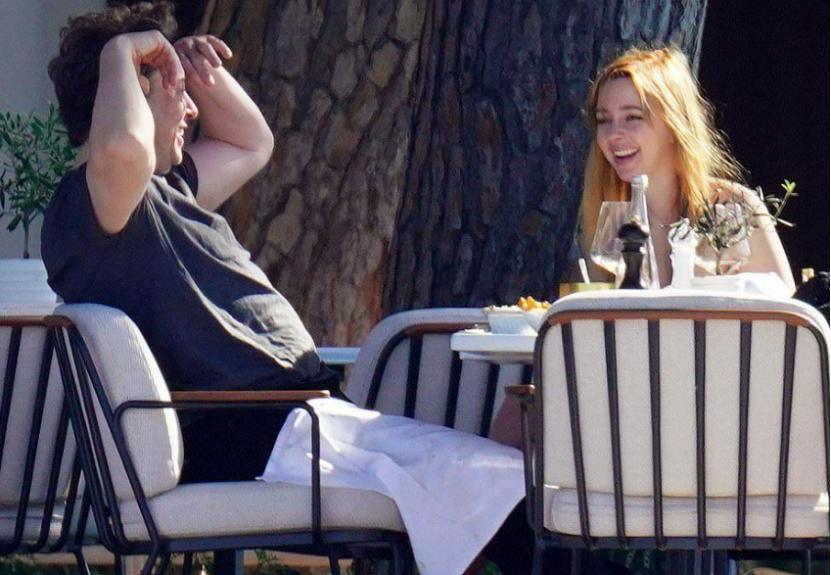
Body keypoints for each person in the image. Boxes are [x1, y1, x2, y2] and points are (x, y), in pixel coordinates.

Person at [42, 2, 339, 484]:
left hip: (294, 420)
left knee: (465, 473)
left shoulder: (167, 190)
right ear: (135, 92)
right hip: (255, 433)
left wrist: (190, 66)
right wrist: (121, 51)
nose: (193, 108)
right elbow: (122, 148)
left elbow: (251, 143)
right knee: (462, 477)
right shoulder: (91, 208)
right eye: (177, 91)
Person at [578, 46, 795, 292]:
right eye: (604, 120)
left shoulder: (731, 208)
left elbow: (784, 309)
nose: (613, 134)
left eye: (633, 117)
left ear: (674, 125)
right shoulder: (610, 218)